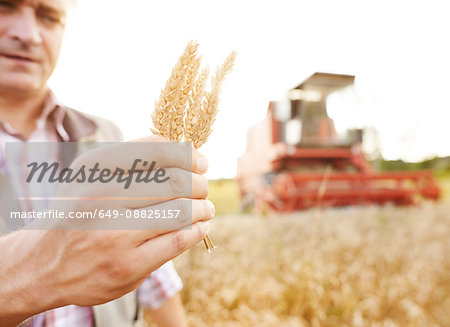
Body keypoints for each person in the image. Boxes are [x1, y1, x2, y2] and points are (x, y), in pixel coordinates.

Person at [0, 0, 214, 326]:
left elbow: (152, 272)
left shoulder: (106, 135)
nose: (28, 34)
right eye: (4, 6)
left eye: (48, 16)